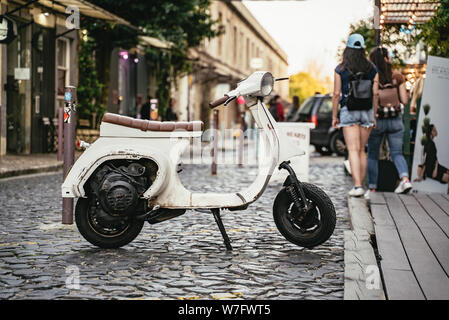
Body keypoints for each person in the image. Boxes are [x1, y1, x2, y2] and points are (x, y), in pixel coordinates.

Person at [332, 34, 379, 197]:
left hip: (348, 110)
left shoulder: (341, 69)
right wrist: (374, 115)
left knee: (352, 149)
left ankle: (357, 186)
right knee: (361, 150)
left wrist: (334, 116)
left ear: (348, 48)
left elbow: (336, 94)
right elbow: (375, 93)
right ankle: (363, 187)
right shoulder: (372, 69)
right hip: (366, 111)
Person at [367, 47, 412, 195]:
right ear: (386, 59)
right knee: (397, 153)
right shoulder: (397, 77)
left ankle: (372, 187)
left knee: (373, 154)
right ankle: (405, 180)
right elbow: (405, 100)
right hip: (395, 121)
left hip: (377, 120)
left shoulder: (371, 77)